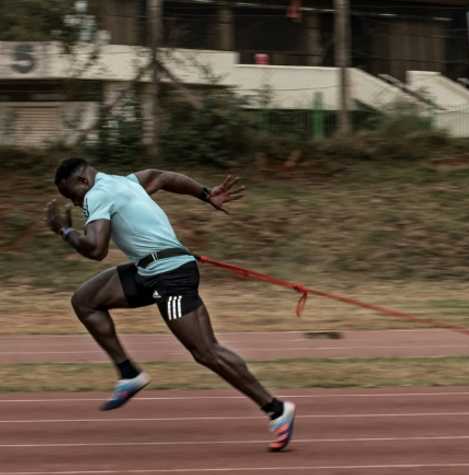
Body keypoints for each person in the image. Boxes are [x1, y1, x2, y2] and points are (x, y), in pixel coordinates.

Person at [46, 158, 296, 451]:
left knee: (206, 352)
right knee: (85, 300)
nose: (77, 205)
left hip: (169, 276)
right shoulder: (125, 181)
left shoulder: (96, 194)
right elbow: (161, 176)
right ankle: (129, 373)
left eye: (73, 197)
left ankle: (276, 410)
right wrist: (205, 193)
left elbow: (96, 249)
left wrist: (64, 231)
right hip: (148, 270)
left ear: (82, 182)